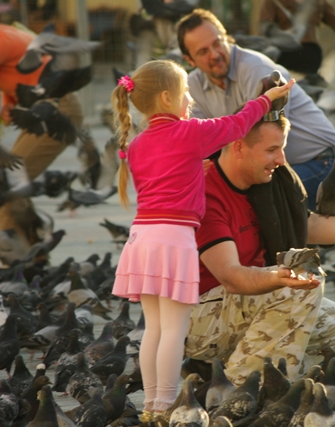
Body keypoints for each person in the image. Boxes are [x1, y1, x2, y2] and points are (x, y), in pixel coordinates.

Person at [185, 113, 335, 386]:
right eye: (271, 150)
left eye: (282, 149)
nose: (281, 160)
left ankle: (223, 374)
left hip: (238, 305)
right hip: (198, 318)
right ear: (239, 146)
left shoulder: (266, 185)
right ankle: (240, 392)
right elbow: (230, 277)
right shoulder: (205, 190)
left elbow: (310, 225)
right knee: (294, 289)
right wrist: (278, 279)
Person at [109, 59, 293, 420]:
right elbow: (235, 125)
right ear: (167, 97)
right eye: (185, 92)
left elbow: (166, 179)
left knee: (154, 328)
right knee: (175, 329)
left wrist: (195, 169)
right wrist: (266, 101)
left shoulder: (140, 143)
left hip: (141, 238)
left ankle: (150, 405)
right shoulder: (188, 132)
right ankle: (165, 405)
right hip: (174, 240)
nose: (190, 99)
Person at [0, 1, 83, 256]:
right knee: (9, 181)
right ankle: (31, 255)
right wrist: (9, 103)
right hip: (43, 110)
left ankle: (17, 259)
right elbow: (19, 75)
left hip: (56, 111)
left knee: (9, 182)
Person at [177, 9, 335, 210]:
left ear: (227, 38)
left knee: (254, 201)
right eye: (203, 52)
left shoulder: (257, 70)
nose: (215, 54)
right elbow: (201, 143)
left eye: (217, 43)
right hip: (274, 167)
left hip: (321, 163)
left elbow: (261, 139)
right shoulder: (192, 85)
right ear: (190, 60)